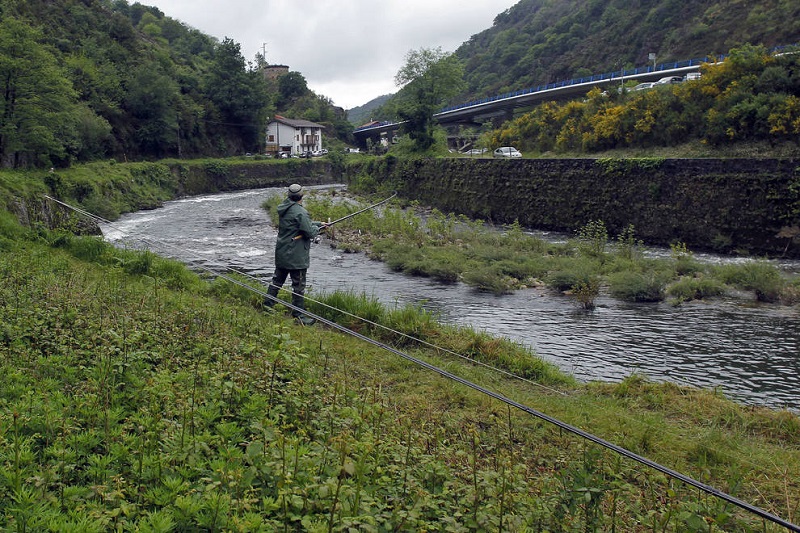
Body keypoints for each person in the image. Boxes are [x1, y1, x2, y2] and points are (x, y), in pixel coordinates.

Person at [264, 184, 326, 325]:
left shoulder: (284, 208)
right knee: (298, 286)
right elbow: (309, 231)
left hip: (282, 252)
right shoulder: (300, 212)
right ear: (301, 196)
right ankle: (299, 316)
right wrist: (318, 228)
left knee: (277, 281)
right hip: (296, 257)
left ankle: (267, 307)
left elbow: (300, 224)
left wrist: (318, 223)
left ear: (289, 195)